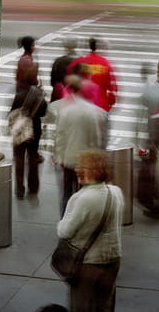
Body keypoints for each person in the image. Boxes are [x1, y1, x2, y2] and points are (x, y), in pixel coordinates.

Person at [56, 150, 125, 312]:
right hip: (113, 259)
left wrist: (61, 222)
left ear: (92, 172)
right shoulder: (116, 192)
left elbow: (65, 232)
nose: (77, 170)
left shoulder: (81, 199)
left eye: (82, 168)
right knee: (105, 305)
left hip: (89, 264)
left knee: (82, 305)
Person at [51, 75, 106, 216]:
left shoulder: (65, 111)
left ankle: (65, 221)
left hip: (69, 159)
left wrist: (59, 156)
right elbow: (96, 138)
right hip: (85, 160)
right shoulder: (91, 111)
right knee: (84, 194)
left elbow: (60, 137)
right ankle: (81, 221)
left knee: (67, 194)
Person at [10, 57, 47, 199]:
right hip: (34, 129)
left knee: (19, 159)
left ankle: (19, 189)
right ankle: (33, 187)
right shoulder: (38, 94)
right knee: (32, 157)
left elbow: (13, 112)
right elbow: (43, 112)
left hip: (20, 130)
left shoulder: (19, 94)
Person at [68, 37, 117, 113]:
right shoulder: (105, 64)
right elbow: (112, 88)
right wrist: (110, 104)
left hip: (81, 106)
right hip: (101, 106)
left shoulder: (78, 62)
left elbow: (68, 85)